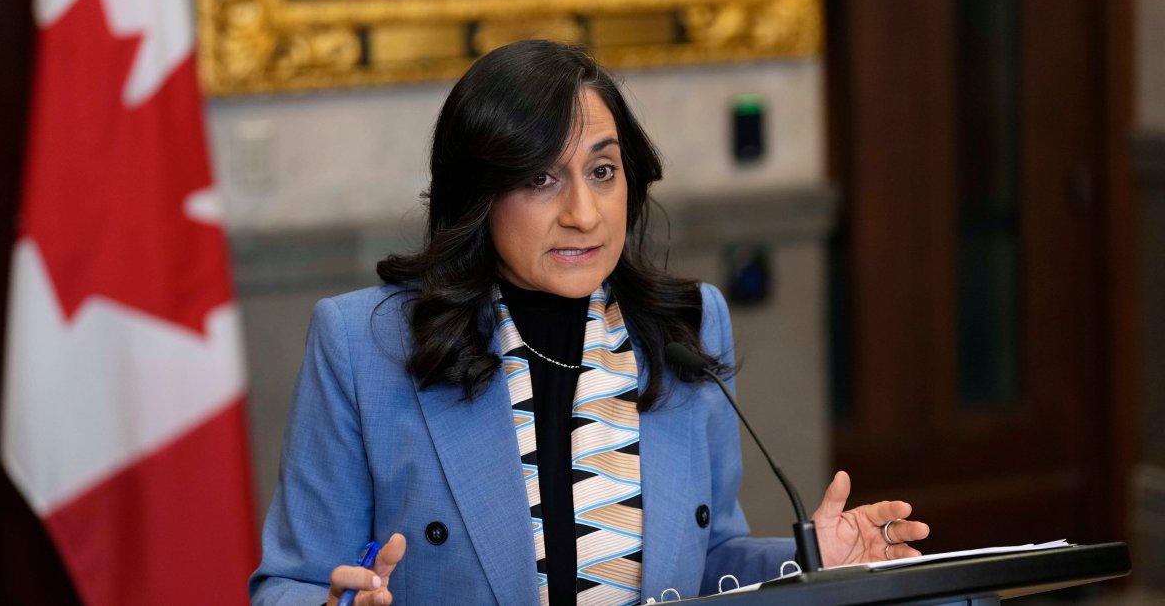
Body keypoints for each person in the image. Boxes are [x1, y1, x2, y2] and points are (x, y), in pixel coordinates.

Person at [249, 40, 929, 606]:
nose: (583, 211)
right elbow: (289, 584)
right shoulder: (363, 344)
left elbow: (709, 553)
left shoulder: (685, 324)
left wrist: (810, 560)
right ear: (478, 193)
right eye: (542, 179)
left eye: (602, 170)